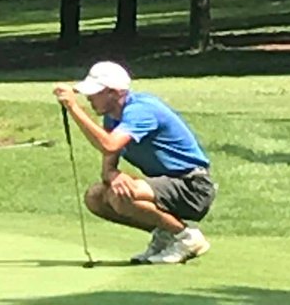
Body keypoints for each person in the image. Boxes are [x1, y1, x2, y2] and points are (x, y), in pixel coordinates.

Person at [53, 61, 215, 265]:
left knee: (120, 195)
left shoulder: (141, 110)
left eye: (95, 93)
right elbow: (108, 168)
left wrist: (73, 107)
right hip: (166, 184)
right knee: (95, 196)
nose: (89, 98)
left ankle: (187, 238)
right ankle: (166, 235)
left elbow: (109, 145)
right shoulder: (113, 118)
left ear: (114, 93)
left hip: (193, 186)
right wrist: (113, 175)